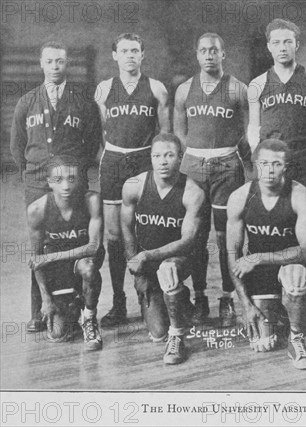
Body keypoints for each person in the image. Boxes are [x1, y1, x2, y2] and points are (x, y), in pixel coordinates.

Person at [11, 40, 103, 333]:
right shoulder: (27, 101)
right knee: (40, 245)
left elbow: (92, 142)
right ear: (41, 64)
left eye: (60, 62)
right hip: (38, 181)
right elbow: (17, 147)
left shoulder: (82, 101)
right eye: (49, 61)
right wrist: (36, 171)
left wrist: (73, 171)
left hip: (72, 181)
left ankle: (76, 301)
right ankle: (38, 310)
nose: (54, 67)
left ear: (67, 64)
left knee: (75, 238)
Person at [248, 18, 306, 331]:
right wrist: (263, 160)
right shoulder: (257, 84)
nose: (282, 47)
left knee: (302, 234)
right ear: (269, 47)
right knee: (271, 229)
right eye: (276, 42)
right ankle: (272, 302)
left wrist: (298, 155)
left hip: (304, 163)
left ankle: (305, 312)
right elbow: (254, 129)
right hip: (269, 167)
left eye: (288, 42)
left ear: (297, 45)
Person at [95, 33, 170, 328]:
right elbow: (101, 133)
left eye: (135, 50)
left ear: (142, 55)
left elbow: (166, 137)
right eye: (124, 50)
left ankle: (148, 295)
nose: (129, 55)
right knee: (114, 236)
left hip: (143, 160)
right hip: (114, 162)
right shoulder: (103, 89)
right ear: (115, 55)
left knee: (147, 230)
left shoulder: (156, 88)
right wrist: (110, 158)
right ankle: (118, 301)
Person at [173, 32, 248, 326]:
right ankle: (200, 295)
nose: (208, 55)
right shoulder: (184, 90)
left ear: (223, 54)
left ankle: (227, 298)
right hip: (192, 165)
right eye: (203, 50)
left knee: (226, 236)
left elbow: (247, 127)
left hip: (227, 165)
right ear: (197, 55)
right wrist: (194, 154)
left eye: (214, 50)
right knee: (195, 236)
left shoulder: (236, 89)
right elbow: (179, 131)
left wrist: (227, 152)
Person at [226, 139, 306, 370]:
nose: (269, 170)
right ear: (255, 163)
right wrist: (245, 305)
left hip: (290, 267)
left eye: (276, 164)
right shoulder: (239, 197)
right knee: (263, 342)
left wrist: (259, 257)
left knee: (295, 277)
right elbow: (232, 254)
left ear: (286, 167)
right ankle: (279, 314)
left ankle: (296, 338)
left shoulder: (300, 195)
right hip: (258, 276)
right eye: (264, 163)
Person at [121, 133, 204, 365]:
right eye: (157, 156)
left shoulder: (192, 192)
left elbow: (188, 241)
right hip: (146, 264)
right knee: (157, 332)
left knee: (167, 269)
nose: (163, 161)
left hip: (178, 259)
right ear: (151, 158)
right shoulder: (134, 185)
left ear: (180, 158)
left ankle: (177, 338)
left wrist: (148, 255)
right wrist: (136, 270)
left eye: (169, 155)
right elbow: (126, 229)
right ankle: (179, 299)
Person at [27, 155, 104, 350]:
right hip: (58, 271)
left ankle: (89, 318)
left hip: (83, 262)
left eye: (71, 178)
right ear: (49, 182)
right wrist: (46, 299)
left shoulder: (91, 200)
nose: (66, 186)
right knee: (58, 334)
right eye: (58, 180)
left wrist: (51, 256)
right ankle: (72, 304)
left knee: (89, 268)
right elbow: (37, 260)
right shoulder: (37, 209)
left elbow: (94, 247)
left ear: (79, 179)